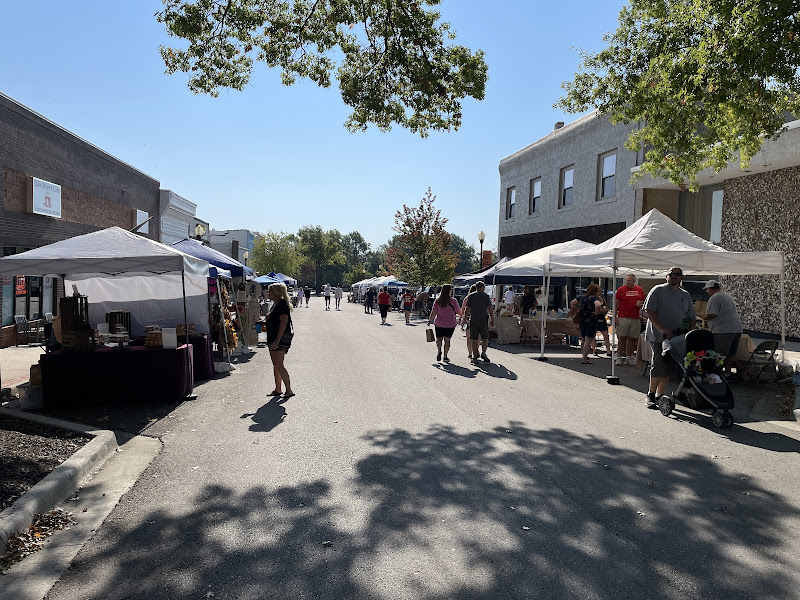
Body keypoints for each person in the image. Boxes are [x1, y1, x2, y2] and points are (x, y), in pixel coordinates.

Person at [643, 267, 696, 406]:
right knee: (659, 364)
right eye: (671, 274)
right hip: (658, 336)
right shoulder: (658, 290)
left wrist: (689, 332)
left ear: (682, 277)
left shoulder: (685, 295)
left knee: (670, 366)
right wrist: (663, 329)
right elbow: (649, 311)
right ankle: (651, 394)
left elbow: (691, 317)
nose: (674, 277)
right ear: (666, 276)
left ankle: (660, 394)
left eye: (677, 274)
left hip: (677, 338)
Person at [698, 280, 743, 376]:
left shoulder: (714, 298)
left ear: (710, 289)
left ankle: (716, 374)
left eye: (706, 289)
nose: (706, 292)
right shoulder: (727, 296)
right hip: (737, 328)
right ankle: (727, 373)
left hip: (723, 329)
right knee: (731, 354)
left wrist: (701, 316)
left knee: (719, 354)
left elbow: (712, 314)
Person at [265, 282, 294, 398]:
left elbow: (283, 322)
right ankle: (278, 389)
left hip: (279, 338)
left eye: (270, 291)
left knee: (279, 364)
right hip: (274, 337)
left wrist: (277, 340)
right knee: (276, 365)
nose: (268, 293)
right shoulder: (276, 304)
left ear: (276, 293)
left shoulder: (282, 305)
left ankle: (289, 390)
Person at [615, 274, 645, 365]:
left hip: (635, 317)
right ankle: (619, 357)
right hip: (623, 317)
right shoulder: (621, 289)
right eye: (626, 280)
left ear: (634, 281)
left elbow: (644, 300)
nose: (627, 282)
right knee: (622, 338)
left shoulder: (639, 289)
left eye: (629, 280)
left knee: (632, 338)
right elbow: (616, 303)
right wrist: (615, 316)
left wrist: (640, 303)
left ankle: (628, 357)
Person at [427, 284, 461, 362]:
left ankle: (439, 350)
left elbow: (434, 312)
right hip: (450, 324)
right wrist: (462, 316)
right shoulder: (453, 301)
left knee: (439, 339)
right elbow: (458, 311)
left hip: (439, 323)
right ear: (449, 291)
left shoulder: (438, 300)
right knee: (447, 340)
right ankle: (445, 356)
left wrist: (430, 320)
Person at [463, 281, 494, 363]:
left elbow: (467, 309)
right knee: (485, 337)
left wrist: (464, 319)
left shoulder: (471, 296)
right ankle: (484, 352)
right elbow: (490, 308)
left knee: (473, 338)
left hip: (474, 319)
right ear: (482, 287)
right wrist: (492, 319)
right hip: (483, 319)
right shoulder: (486, 296)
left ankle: (475, 355)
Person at [579, 283, 606, 364]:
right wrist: (596, 312)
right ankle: (584, 358)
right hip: (591, 320)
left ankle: (583, 355)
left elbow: (572, 303)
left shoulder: (582, 297)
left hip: (582, 319)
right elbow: (598, 305)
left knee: (583, 339)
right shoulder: (594, 298)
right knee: (588, 339)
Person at [461, 284, 478, 358]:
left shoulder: (467, 298)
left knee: (469, 338)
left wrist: (462, 319)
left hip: (467, 319)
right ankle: (475, 352)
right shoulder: (480, 298)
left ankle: (470, 353)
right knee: (477, 337)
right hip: (477, 319)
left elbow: (463, 309)